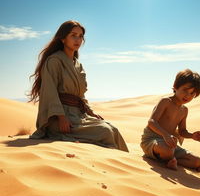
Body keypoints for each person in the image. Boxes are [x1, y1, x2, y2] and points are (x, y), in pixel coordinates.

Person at [29, 20, 128, 152]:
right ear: (63, 38)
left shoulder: (78, 65)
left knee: (113, 129)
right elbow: (49, 91)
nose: (78, 39)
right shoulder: (54, 61)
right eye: (73, 35)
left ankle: (121, 164)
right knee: (105, 132)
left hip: (79, 115)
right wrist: (61, 117)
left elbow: (80, 95)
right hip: (60, 119)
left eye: (81, 36)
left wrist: (89, 110)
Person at [140, 69, 200, 171]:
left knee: (196, 160)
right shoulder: (165, 102)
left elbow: (182, 131)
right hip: (151, 141)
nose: (188, 96)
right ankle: (169, 160)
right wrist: (165, 135)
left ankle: (193, 166)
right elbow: (151, 122)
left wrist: (192, 135)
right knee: (166, 150)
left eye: (192, 93)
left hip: (170, 143)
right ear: (176, 87)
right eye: (185, 90)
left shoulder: (184, 110)